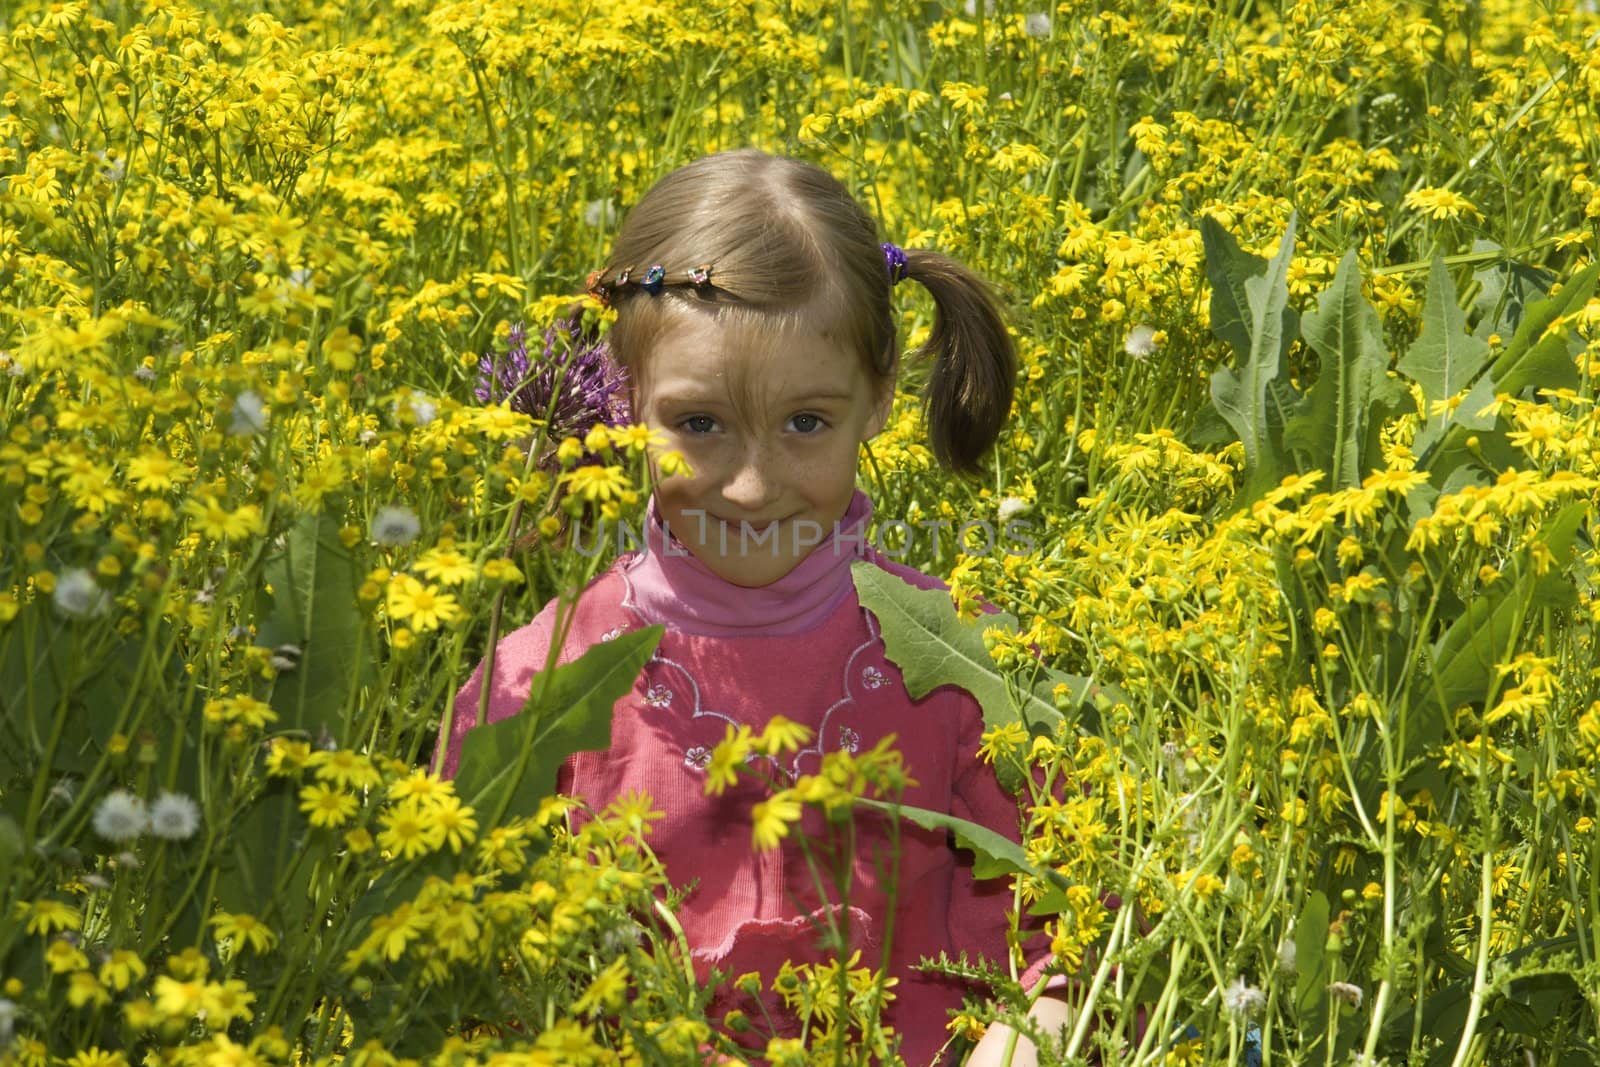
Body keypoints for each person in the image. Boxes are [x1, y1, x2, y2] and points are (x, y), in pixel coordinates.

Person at [438, 149, 1068, 1065]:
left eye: (805, 422)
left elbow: (1064, 941)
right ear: (623, 398)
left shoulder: (959, 662)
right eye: (699, 425)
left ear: (880, 394)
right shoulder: (537, 684)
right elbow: (462, 971)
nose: (751, 483)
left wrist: (1027, 1028)